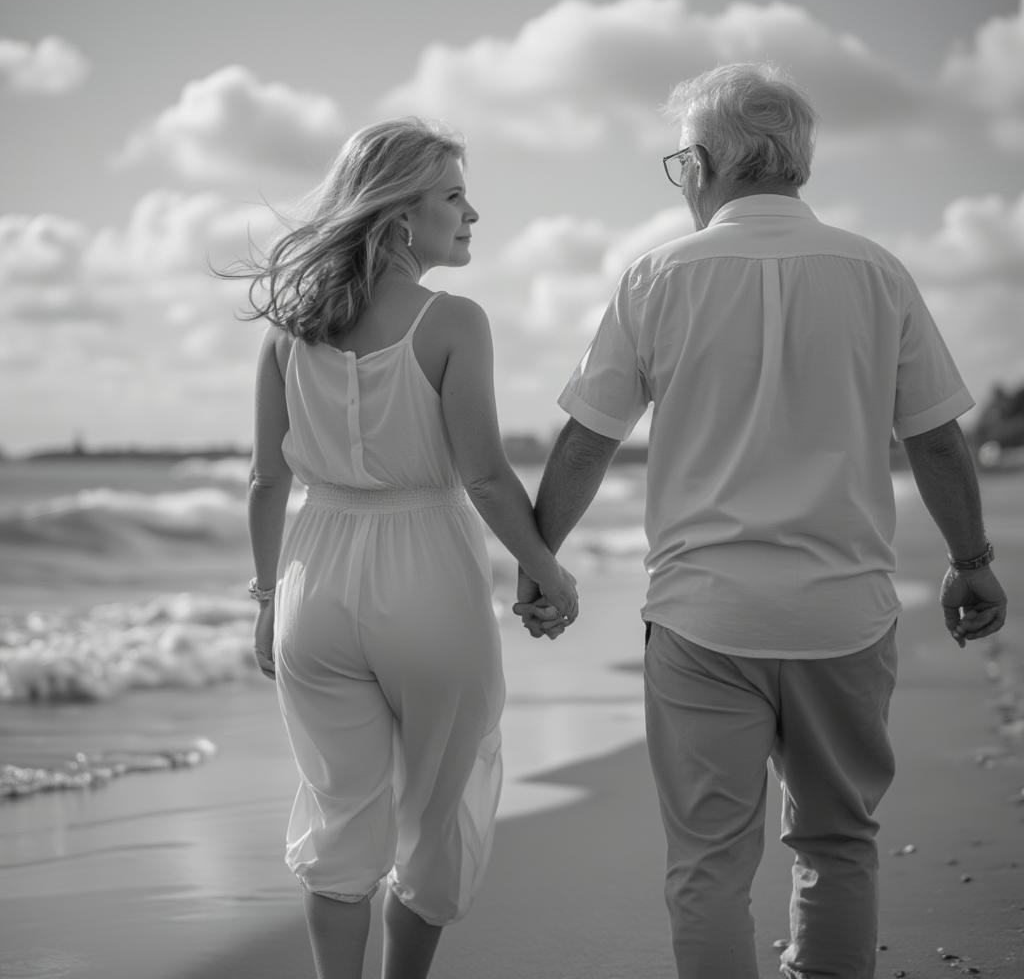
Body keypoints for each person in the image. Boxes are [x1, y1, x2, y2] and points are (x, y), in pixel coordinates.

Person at [513, 63, 1007, 978]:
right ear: (798, 166)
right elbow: (935, 439)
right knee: (837, 841)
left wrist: (540, 560)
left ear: (702, 163)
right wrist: (970, 559)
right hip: (843, 614)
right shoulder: (877, 271)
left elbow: (589, 441)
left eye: (677, 164)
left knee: (708, 862)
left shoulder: (656, 276)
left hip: (705, 616)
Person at [238, 118, 578, 979]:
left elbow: (265, 483)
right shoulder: (453, 321)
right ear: (398, 220)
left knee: (338, 814)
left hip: (312, 583)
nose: (474, 213)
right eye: (454, 197)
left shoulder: (287, 330)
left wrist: (266, 598)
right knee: (438, 812)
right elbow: (490, 478)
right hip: (426, 571)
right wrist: (551, 577)